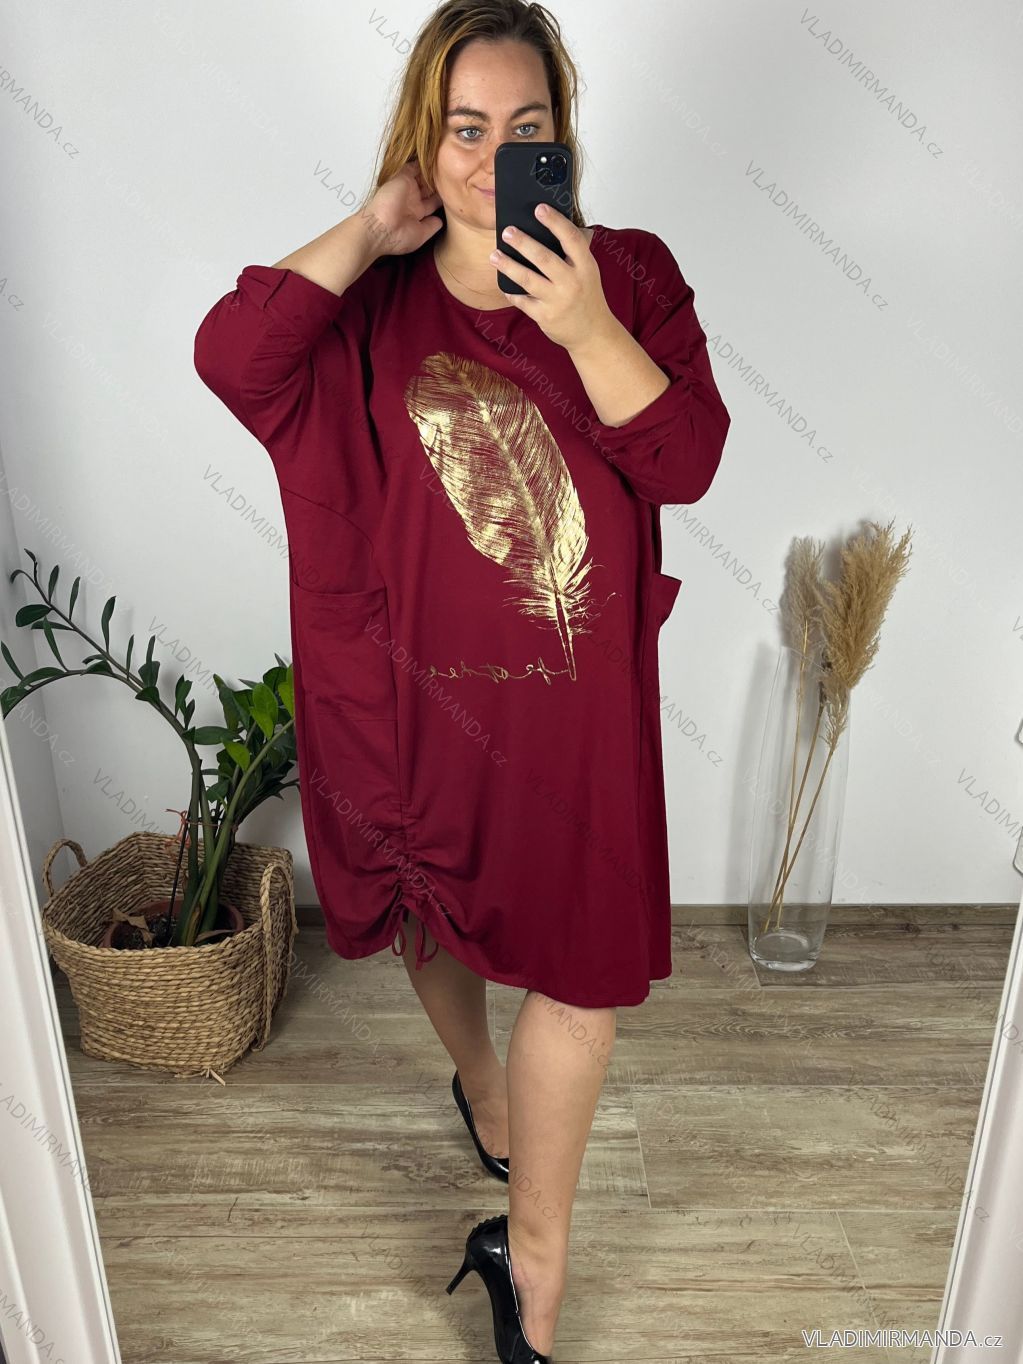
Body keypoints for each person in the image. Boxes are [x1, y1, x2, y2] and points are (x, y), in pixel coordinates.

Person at [193, 2, 730, 1358]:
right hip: (414, 704)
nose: (496, 161)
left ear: (566, 137)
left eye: (526, 128)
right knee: (427, 908)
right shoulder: (370, 306)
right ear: (425, 144)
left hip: (573, 712)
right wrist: (370, 228)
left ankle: (530, 1256)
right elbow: (232, 356)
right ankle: (484, 1087)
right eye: (466, 130)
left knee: (586, 975)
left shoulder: (631, 277)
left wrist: (585, 323)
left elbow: (685, 463)